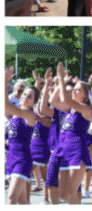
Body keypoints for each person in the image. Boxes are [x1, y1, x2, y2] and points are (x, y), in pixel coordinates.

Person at [51, 63, 92, 205]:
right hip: (64, 151)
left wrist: (61, 78)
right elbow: (52, 101)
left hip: (77, 152)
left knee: (70, 192)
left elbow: (65, 99)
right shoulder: (69, 109)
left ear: (85, 94)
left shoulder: (86, 108)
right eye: (74, 89)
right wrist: (61, 81)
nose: (74, 92)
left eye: (78, 90)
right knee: (64, 195)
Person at [5, 66, 40, 204]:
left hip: (23, 159)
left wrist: (4, 81)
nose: (25, 97)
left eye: (29, 96)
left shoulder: (29, 114)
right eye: (24, 94)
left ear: (33, 102)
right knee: (23, 202)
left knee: (11, 198)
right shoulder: (16, 112)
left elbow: (6, 104)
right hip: (10, 158)